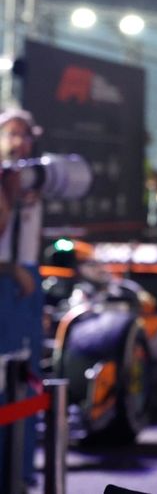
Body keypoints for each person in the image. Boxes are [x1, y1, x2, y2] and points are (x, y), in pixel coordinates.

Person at [0, 108, 45, 489]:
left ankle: (22, 467)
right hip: (6, 282)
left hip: (28, 281)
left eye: (24, 135)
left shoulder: (33, 180)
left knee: (28, 376)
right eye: (10, 134)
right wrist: (9, 269)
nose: (18, 142)